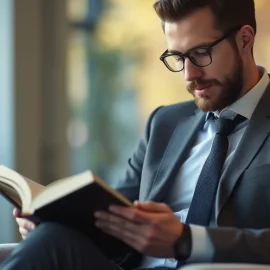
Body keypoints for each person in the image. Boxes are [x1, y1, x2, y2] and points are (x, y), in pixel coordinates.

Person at [1, 0, 270, 269]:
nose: (189, 74)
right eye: (178, 57)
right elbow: (110, 217)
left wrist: (186, 240)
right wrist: (53, 221)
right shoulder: (164, 123)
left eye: (200, 53)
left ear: (244, 40)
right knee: (52, 236)